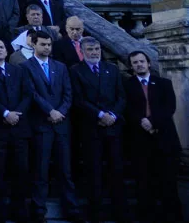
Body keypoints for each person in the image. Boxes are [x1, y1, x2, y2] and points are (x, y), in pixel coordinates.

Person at [20, 31, 82, 223]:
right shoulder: (25, 67)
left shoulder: (60, 66)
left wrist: (60, 111)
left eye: (49, 44)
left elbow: (68, 93)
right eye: (43, 44)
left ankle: (72, 209)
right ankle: (39, 211)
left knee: (65, 170)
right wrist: (50, 111)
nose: (47, 47)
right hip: (41, 125)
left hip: (61, 125)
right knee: (41, 170)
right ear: (34, 45)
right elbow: (31, 93)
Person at [69, 37, 128, 223]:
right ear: (82, 50)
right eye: (90, 49)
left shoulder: (112, 69)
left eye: (97, 49)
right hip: (91, 128)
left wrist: (112, 115)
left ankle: (120, 212)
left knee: (117, 171)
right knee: (93, 172)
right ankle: (95, 213)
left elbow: (121, 97)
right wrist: (100, 115)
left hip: (113, 127)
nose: (94, 52)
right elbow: (78, 99)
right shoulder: (75, 70)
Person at [124, 50, 182, 221]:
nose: (139, 64)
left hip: (164, 139)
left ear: (148, 63)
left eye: (141, 61)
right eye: (135, 62)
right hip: (140, 140)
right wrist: (141, 121)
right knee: (144, 183)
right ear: (131, 66)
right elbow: (126, 108)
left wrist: (153, 122)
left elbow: (169, 107)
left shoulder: (164, 83)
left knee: (169, 183)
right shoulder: (127, 85)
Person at [0, 38, 33, 223]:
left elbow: (28, 94)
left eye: (1, 47)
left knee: (21, 171)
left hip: (19, 128)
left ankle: (19, 211)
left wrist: (17, 113)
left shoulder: (17, 70)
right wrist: (4, 113)